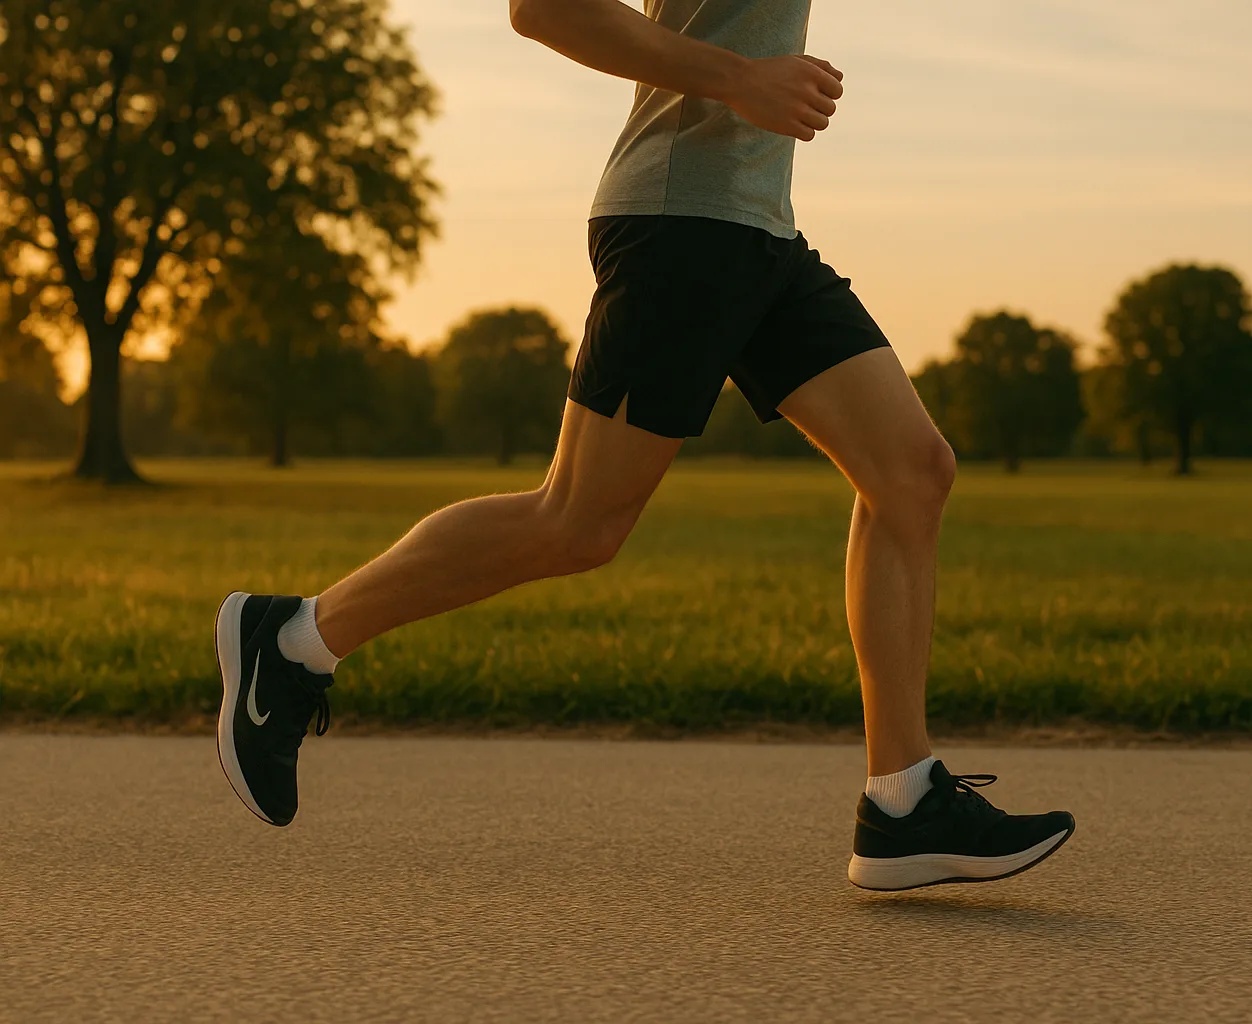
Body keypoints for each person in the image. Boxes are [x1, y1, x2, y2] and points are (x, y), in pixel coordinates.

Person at [214, 0, 1075, 892]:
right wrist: (742, 79)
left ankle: (903, 802)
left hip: (761, 232)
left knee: (913, 472)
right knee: (577, 522)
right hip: (680, 227)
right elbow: (542, 9)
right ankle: (295, 640)